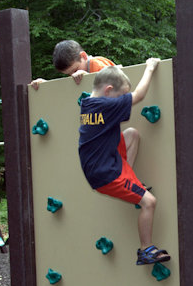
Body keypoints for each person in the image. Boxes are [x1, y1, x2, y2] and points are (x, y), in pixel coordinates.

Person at [79, 59, 171, 265]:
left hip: (101, 162)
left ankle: (132, 182)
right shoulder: (105, 104)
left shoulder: (88, 103)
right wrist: (150, 67)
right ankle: (145, 249)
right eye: (120, 96)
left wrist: (115, 70)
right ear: (108, 90)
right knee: (149, 202)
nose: (121, 100)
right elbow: (139, 95)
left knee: (131, 134)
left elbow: (104, 76)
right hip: (107, 174)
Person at [31, 40, 116, 90]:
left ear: (83, 56)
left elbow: (117, 83)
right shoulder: (74, 75)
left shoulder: (97, 63)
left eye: (75, 70)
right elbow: (65, 91)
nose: (73, 75)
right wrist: (45, 86)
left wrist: (88, 78)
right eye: (68, 74)